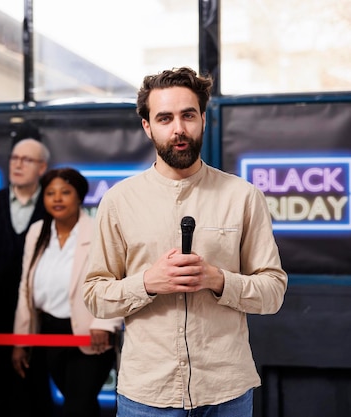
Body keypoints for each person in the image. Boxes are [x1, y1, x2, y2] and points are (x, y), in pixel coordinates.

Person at [83, 67, 288, 416]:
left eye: (188, 115)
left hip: (226, 392)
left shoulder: (243, 196)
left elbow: (273, 292)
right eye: (164, 118)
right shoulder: (119, 201)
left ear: (203, 119)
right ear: (147, 127)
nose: (178, 129)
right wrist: (147, 283)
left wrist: (218, 280)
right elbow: (95, 296)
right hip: (147, 395)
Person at [12, 168, 123, 417]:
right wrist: (21, 340)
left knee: (78, 406)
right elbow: (25, 287)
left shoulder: (98, 229)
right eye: (50, 193)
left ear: (80, 196)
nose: (57, 198)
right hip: (50, 332)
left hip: (91, 334)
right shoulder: (36, 232)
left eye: (65, 192)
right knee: (80, 403)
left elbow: (117, 277)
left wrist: (104, 323)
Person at [0, 137, 51, 417]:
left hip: (39, 314)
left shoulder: (52, 205)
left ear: (42, 167)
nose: (17, 164)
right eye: (14, 158)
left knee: (34, 389)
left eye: (26, 159)